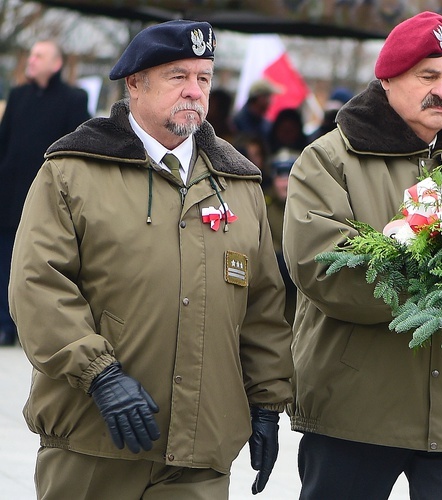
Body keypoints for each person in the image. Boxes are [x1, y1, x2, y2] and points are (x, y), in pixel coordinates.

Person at [8, 20, 293, 498]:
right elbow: (37, 284)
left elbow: (263, 306)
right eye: (177, 76)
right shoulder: (73, 171)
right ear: (134, 84)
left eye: (203, 78)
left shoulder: (239, 184)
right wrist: (100, 375)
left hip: (200, 452)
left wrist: (267, 403)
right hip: (93, 439)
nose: (194, 91)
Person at [282, 12, 442, 499]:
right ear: (388, 79)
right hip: (356, 410)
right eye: (428, 76)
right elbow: (322, 268)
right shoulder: (329, 159)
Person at [0, 39, 90, 346]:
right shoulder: (18, 95)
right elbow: (5, 143)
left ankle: (30, 328)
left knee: (38, 264)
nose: (32, 60)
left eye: (39, 55)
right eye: (32, 55)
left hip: (48, 194)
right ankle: (4, 324)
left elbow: (77, 150)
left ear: (56, 64)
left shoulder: (73, 99)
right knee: (4, 260)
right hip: (10, 194)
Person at [266, 148, 300, 326]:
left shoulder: (310, 208)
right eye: (280, 176)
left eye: (290, 176)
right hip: (275, 294)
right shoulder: (263, 208)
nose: (285, 183)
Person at [233, 78, 276, 145]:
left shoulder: (266, 124)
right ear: (260, 98)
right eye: (268, 97)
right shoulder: (237, 122)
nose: (270, 102)